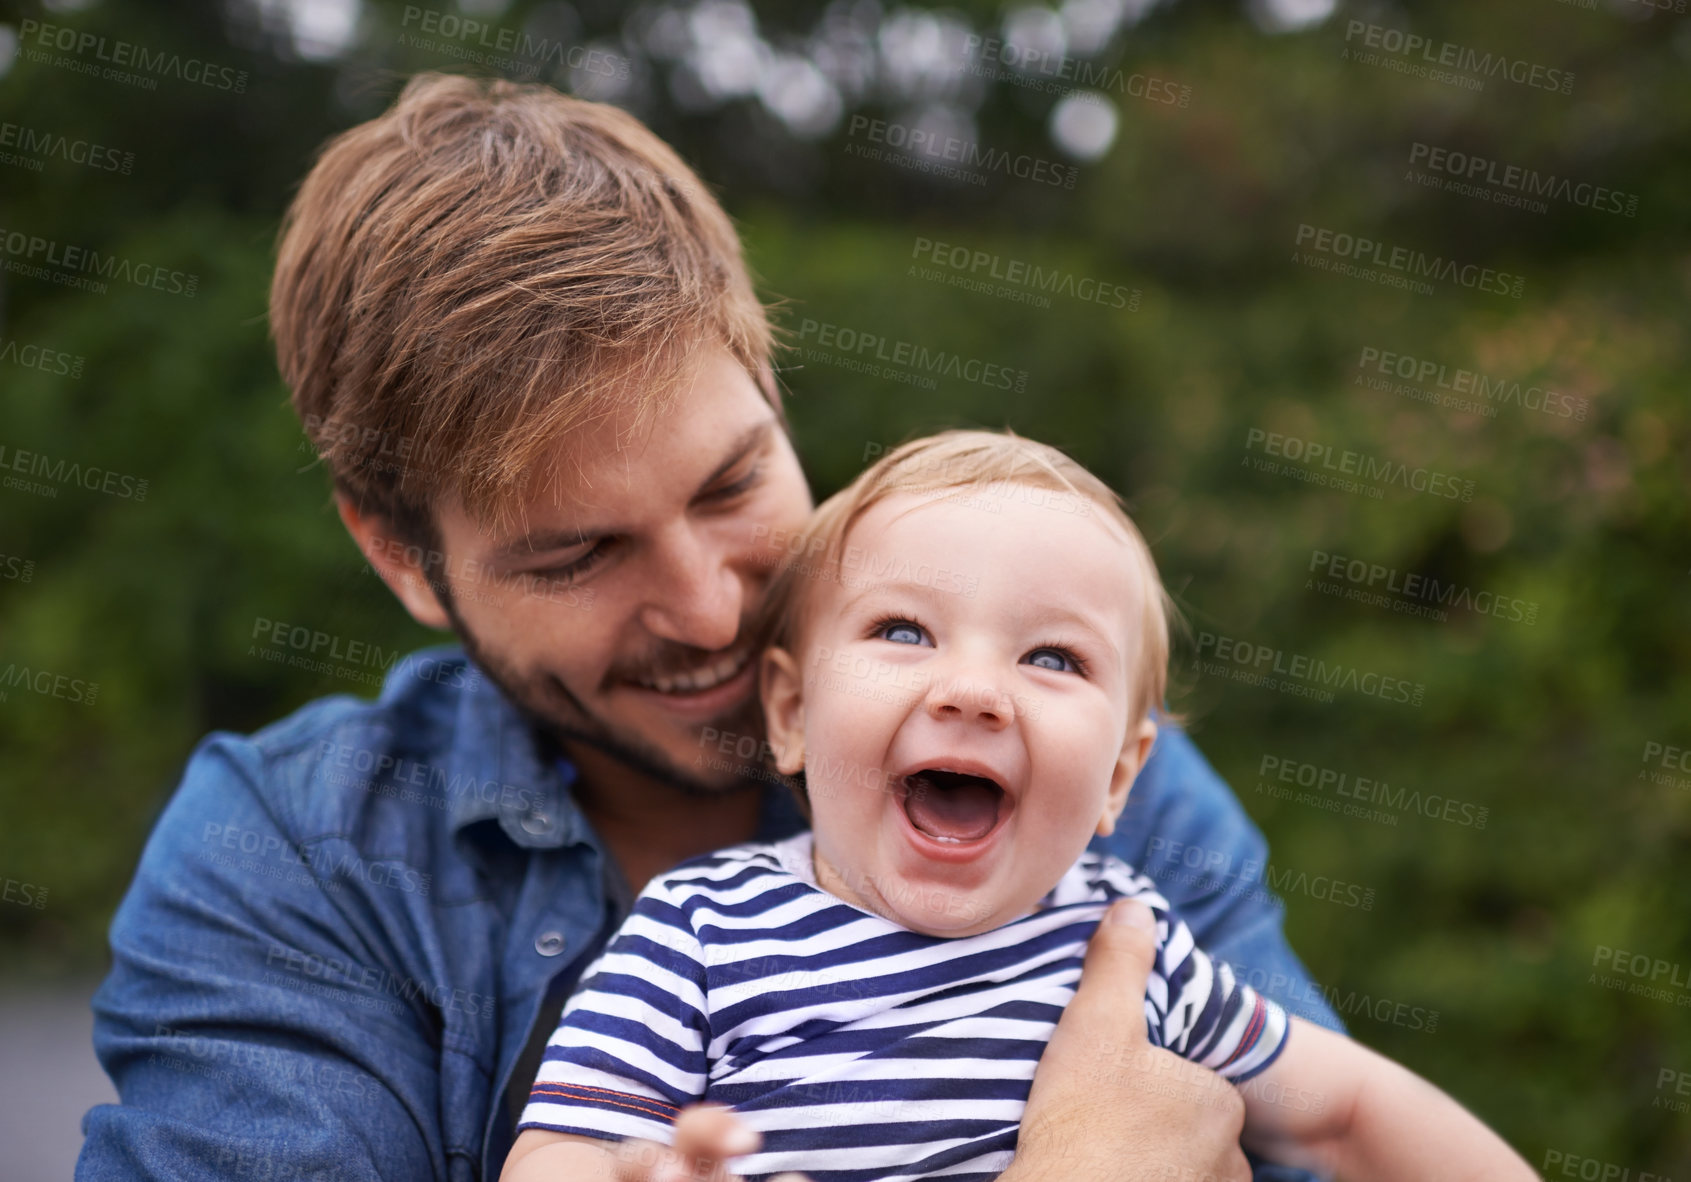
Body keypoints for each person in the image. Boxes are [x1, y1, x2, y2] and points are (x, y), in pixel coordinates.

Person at [79, 74, 1336, 1182]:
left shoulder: (1077, 773)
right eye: (578, 553)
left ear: (771, 396)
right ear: (401, 559)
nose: (713, 605)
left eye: (732, 484)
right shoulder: (295, 859)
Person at [502, 432, 1535, 1182]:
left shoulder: (1124, 941)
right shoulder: (700, 929)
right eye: (904, 630)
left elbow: (1345, 1112)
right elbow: (562, 1146)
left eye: (1050, 657)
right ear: (790, 711)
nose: (972, 690)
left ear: (1122, 776)